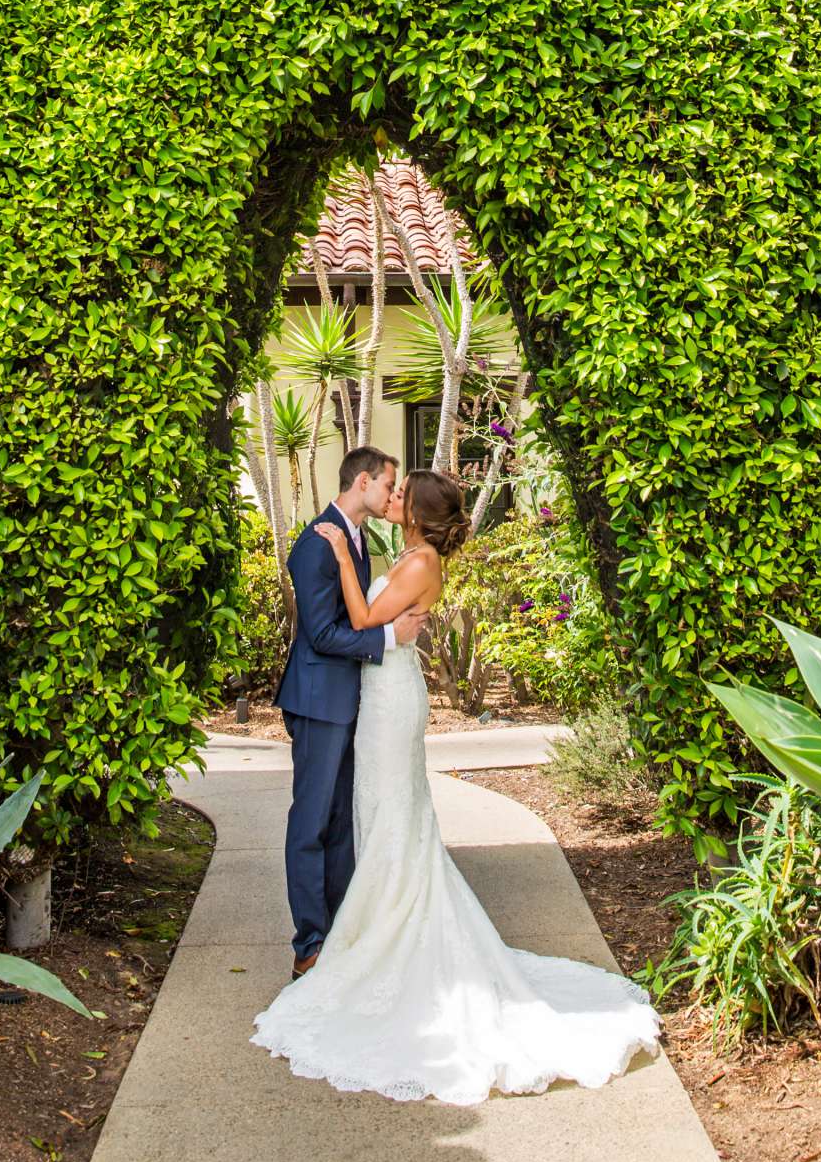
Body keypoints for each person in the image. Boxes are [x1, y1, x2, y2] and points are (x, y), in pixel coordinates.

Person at [254, 467, 661, 1103]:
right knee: (383, 817)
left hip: (390, 704)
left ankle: (377, 938)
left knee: (391, 816)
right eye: (388, 488)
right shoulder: (408, 552)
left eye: (400, 493)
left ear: (415, 510)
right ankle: (360, 929)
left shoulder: (416, 563)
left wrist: (338, 555)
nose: (392, 498)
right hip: (380, 696)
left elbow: (360, 618)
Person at [274, 446, 425, 977]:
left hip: (350, 699)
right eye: (388, 485)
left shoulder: (355, 538)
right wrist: (387, 638)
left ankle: (337, 928)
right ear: (364, 482)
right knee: (312, 822)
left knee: (340, 821)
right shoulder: (319, 542)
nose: (392, 496)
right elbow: (320, 633)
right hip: (318, 701)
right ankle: (309, 943)